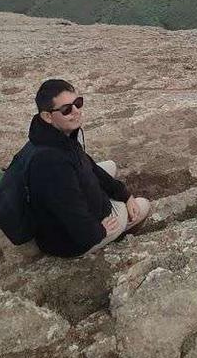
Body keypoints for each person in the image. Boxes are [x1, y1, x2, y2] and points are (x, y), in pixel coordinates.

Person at [18, 78, 151, 257]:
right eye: (66, 109)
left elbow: (88, 165)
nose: (76, 111)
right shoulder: (53, 164)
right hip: (70, 241)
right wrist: (100, 231)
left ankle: (108, 203)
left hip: (58, 203)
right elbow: (72, 213)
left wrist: (124, 194)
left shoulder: (52, 135)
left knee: (110, 166)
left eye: (78, 103)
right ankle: (114, 235)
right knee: (143, 206)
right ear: (47, 116)